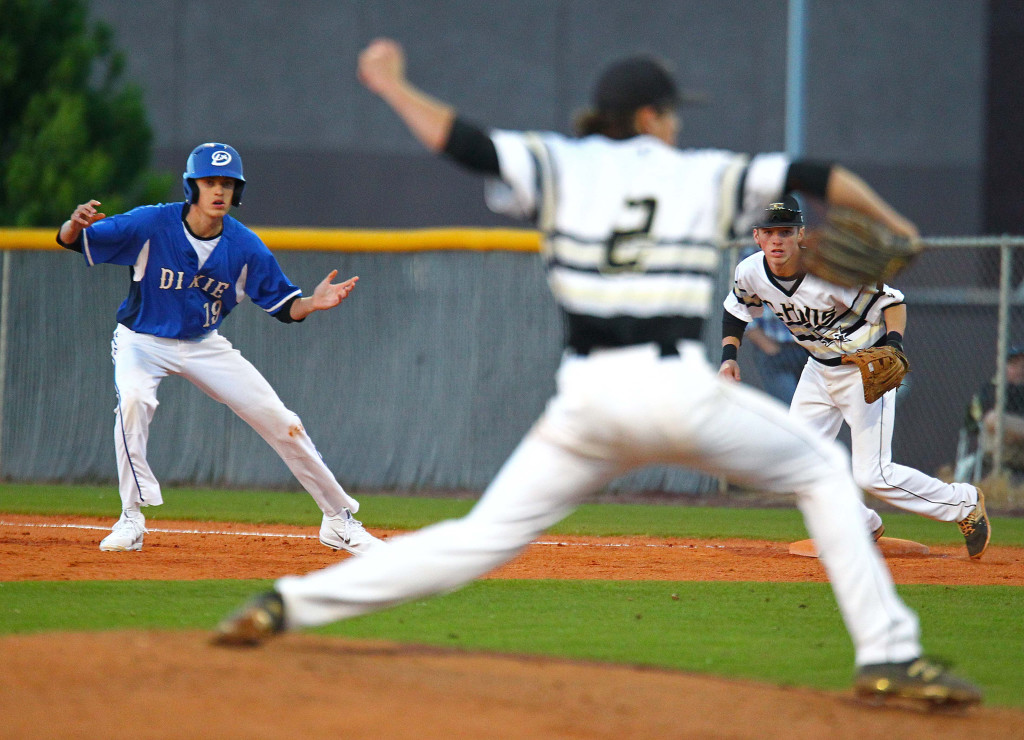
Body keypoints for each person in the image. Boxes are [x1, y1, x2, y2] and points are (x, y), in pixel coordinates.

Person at [214, 40, 981, 707]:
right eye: (670, 111)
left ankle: (287, 604)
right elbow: (821, 172)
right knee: (821, 469)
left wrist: (389, 84)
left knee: (479, 538)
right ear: (650, 117)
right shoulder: (706, 174)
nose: (676, 123)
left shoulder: (559, 163)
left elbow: (465, 142)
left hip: (587, 402)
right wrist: (897, 226)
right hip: (680, 391)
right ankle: (887, 656)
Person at [56, 142, 383, 556]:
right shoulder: (151, 223)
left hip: (203, 344)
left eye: (227, 183)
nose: (219, 191)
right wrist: (73, 224)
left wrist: (312, 304)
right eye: (210, 181)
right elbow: (74, 242)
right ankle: (131, 518)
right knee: (135, 401)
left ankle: (339, 521)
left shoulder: (244, 246)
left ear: (236, 191)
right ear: (192, 186)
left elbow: (285, 307)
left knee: (283, 421)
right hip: (143, 339)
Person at [719, 197, 991, 559]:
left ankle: (964, 503)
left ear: (801, 234)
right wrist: (728, 358)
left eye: (786, 231)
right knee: (793, 462)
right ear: (756, 236)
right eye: (769, 232)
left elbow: (892, 302)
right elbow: (737, 310)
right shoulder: (751, 271)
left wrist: (894, 344)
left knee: (873, 475)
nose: (777, 240)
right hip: (817, 371)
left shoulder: (830, 272)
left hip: (863, 372)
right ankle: (861, 524)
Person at [962, 346, 1024, 477]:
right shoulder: (992, 389)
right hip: (999, 446)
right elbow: (991, 420)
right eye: (1014, 365)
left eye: (1022, 366)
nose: (1020, 370)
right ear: (1003, 367)